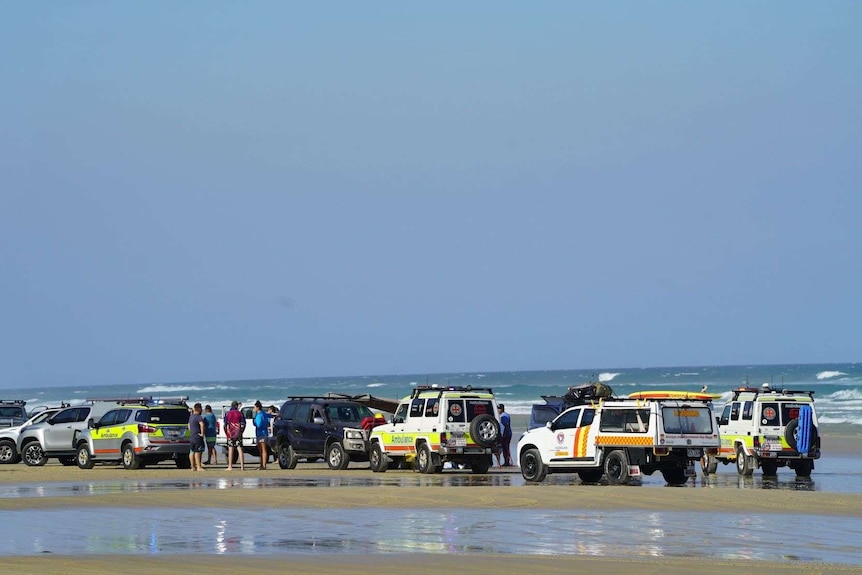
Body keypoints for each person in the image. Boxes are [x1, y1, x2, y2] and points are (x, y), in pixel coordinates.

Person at [224, 400, 246, 471]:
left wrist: (226, 433)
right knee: (239, 449)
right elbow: (243, 424)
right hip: (238, 433)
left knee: (231, 449)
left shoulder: (228, 413)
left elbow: (225, 425)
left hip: (230, 433)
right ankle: (242, 466)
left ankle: (230, 466)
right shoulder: (240, 413)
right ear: (236, 406)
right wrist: (242, 432)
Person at [188, 403, 206, 471]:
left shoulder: (191, 416)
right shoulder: (199, 417)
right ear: (199, 409)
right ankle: (198, 467)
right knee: (197, 451)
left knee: (192, 451)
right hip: (197, 436)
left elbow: (189, 425)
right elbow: (202, 424)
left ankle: (192, 467)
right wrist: (202, 433)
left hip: (192, 436)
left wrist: (191, 431)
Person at [253, 400, 270, 470]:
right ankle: (262, 464)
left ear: (257, 407)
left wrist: (254, 422)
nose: (254, 409)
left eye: (254, 407)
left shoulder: (259, 415)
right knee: (261, 450)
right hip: (263, 433)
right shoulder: (263, 414)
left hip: (261, 433)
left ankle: (263, 465)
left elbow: (259, 424)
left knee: (263, 450)